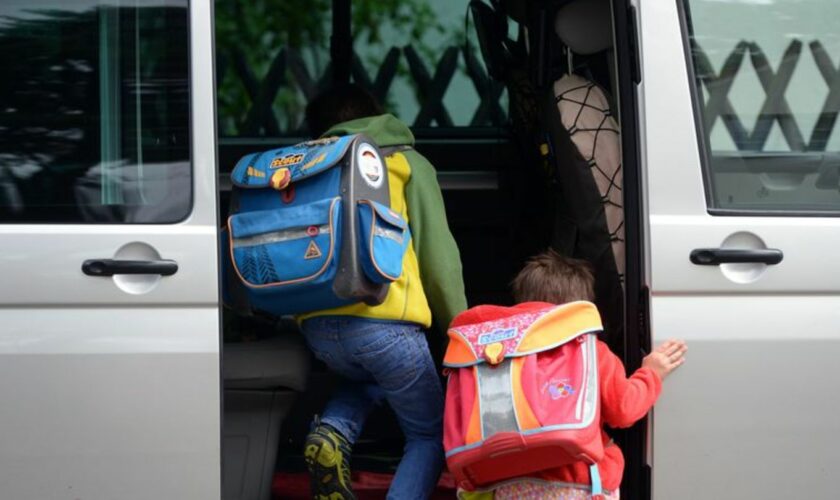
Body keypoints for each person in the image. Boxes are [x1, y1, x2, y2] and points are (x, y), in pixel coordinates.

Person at [299, 83, 467, 500]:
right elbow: (439, 259)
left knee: (370, 380)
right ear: (376, 116)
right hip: (386, 326)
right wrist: (462, 333)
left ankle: (331, 431)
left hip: (319, 329)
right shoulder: (405, 163)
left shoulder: (305, 165)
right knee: (429, 434)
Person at [462, 250, 686, 499]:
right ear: (581, 310)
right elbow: (623, 409)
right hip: (578, 485)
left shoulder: (500, 356)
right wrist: (650, 374)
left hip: (512, 486)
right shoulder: (591, 353)